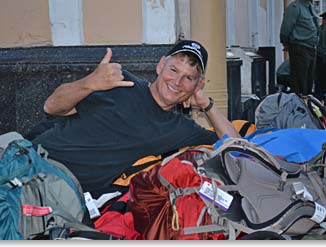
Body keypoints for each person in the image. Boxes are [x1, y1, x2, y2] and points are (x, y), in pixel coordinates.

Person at [32, 40, 240, 198]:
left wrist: (207, 105)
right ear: (160, 66)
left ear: (198, 84)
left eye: (189, 78)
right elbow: (51, 106)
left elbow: (237, 148)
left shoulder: (179, 128)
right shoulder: (121, 82)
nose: (177, 82)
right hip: (34, 162)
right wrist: (89, 83)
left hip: (66, 193)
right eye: (174, 70)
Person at [280, 0, 319, 95]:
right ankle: (300, 105)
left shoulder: (311, 7)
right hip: (300, 47)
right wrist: (285, 42)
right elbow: (286, 28)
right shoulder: (295, 8)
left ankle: (306, 104)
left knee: (309, 82)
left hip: (311, 48)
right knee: (300, 83)